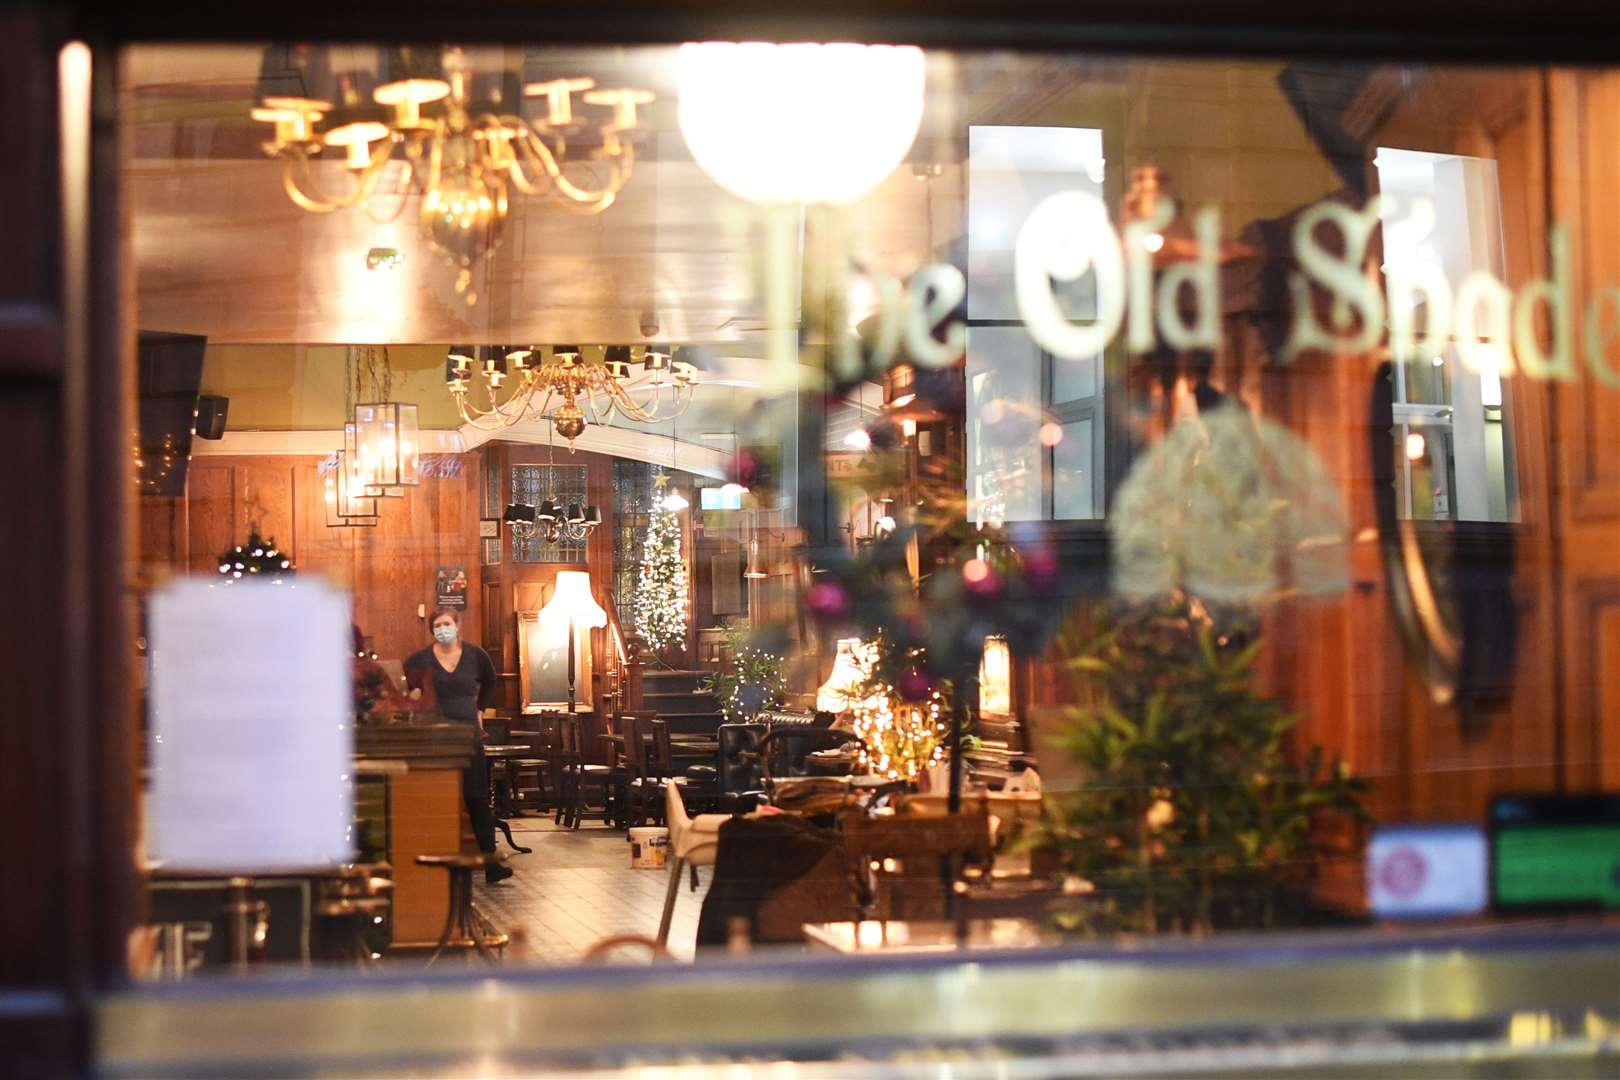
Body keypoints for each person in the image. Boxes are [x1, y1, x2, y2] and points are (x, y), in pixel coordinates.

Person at [404, 608, 513, 884]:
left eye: (447, 624)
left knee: (476, 798)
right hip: (435, 738)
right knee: (436, 798)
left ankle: (491, 864)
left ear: (457, 625)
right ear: (432, 630)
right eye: (437, 625)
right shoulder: (420, 660)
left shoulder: (476, 655)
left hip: (468, 735)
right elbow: (409, 687)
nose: (442, 629)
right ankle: (432, 866)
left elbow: (491, 681)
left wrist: (480, 709)